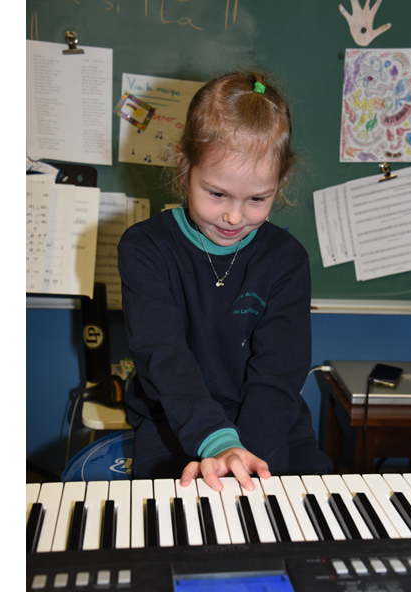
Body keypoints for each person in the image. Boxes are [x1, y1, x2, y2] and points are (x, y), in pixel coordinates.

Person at [117, 70, 332, 493]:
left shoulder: (286, 260)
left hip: (272, 425)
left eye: (257, 199)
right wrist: (218, 443)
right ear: (184, 166)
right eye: (217, 194)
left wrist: (247, 462)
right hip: (174, 425)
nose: (235, 217)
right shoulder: (145, 247)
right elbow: (165, 359)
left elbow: (276, 376)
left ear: (279, 184)